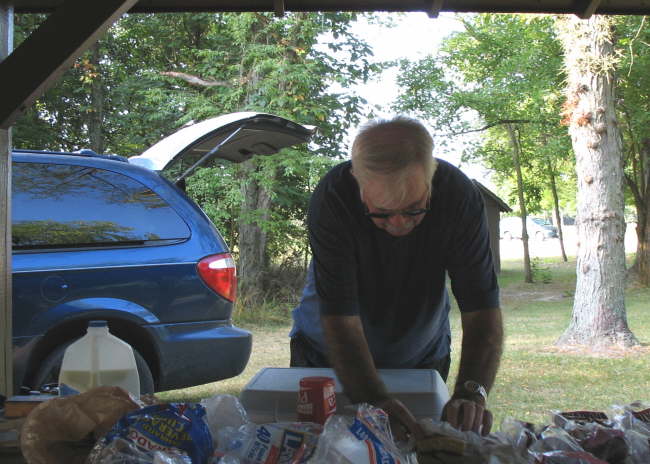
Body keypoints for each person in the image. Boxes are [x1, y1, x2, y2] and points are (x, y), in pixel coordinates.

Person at [289, 116, 503, 439]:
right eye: (382, 213)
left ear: (432, 179)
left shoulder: (459, 196)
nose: (400, 224)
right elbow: (341, 323)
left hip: (421, 353)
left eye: (415, 209)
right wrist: (374, 399)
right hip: (325, 355)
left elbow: (482, 310)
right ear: (358, 186)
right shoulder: (333, 198)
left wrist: (471, 392)